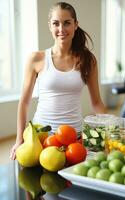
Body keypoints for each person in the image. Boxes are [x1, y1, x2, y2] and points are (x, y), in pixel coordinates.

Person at [10, 2, 106, 160]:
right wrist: (19, 139)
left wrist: (109, 132)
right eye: (56, 23)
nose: (61, 29)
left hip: (74, 138)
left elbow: (96, 102)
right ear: (50, 25)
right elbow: (24, 103)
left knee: (72, 183)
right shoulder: (37, 59)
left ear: (76, 24)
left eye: (67, 23)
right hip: (41, 137)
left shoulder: (88, 60)